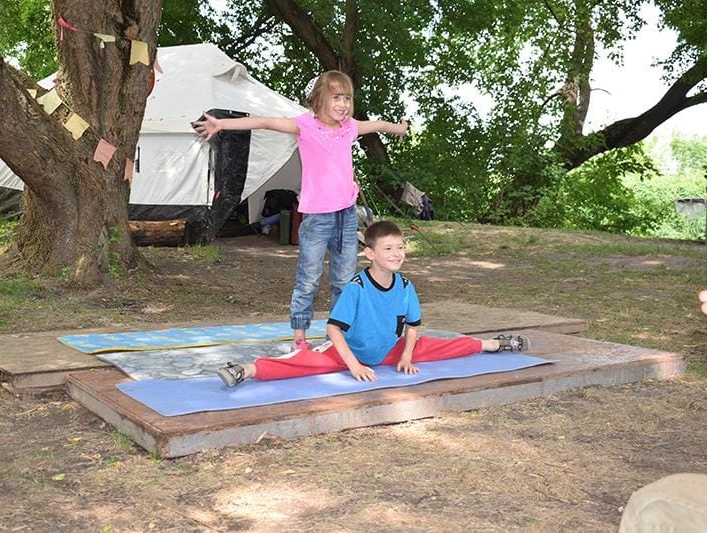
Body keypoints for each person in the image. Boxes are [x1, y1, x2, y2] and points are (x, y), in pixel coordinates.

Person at [192, 70, 408, 349]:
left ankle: (337, 335)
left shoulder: (350, 127)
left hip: (346, 216)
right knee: (309, 279)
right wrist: (222, 123)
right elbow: (265, 121)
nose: (343, 104)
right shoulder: (305, 125)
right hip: (318, 217)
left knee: (344, 281)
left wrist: (399, 129)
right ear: (318, 99)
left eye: (346, 98)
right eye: (336, 97)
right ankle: (300, 337)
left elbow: (378, 125)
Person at [215, 220, 530, 387]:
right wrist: (354, 366)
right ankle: (245, 370)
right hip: (348, 354)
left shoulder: (405, 286)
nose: (397, 254)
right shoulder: (356, 288)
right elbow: (334, 330)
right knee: (301, 363)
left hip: (388, 352)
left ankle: (493, 344)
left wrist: (405, 356)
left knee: (440, 346)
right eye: (388, 249)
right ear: (370, 253)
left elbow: (413, 327)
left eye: (400, 247)